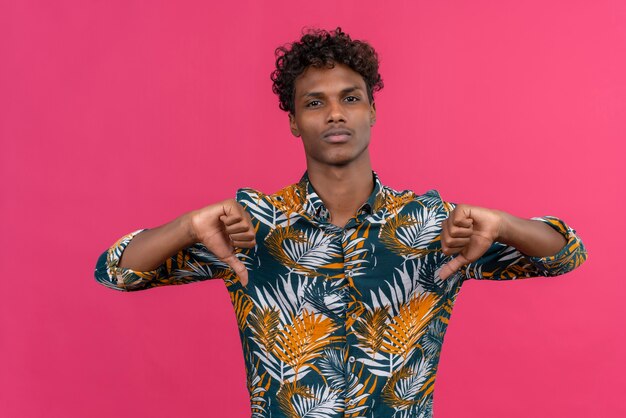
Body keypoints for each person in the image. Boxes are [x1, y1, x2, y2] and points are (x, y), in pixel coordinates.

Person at [94, 27, 587, 418]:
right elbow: (115, 271)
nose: (335, 114)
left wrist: (501, 223)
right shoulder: (248, 227)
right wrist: (185, 225)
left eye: (350, 98)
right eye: (314, 102)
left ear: (372, 110)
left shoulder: (434, 226)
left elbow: (565, 254)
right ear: (292, 120)